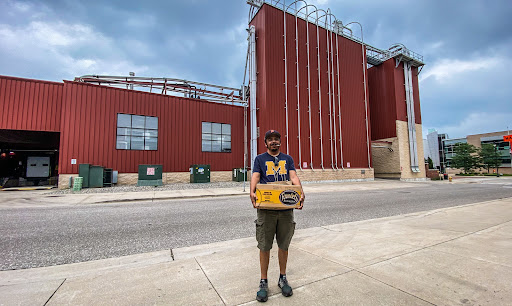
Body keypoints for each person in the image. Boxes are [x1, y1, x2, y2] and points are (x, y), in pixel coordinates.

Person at [250, 130, 305, 302]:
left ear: (280, 142)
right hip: (266, 209)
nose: (274, 142)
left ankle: (282, 278)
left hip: (286, 208)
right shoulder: (260, 159)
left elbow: (293, 176)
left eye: (276, 139)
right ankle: (263, 281)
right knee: (264, 246)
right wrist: (251, 191)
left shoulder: (287, 159)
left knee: (284, 244)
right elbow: (256, 176)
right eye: (270, 140)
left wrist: (301, 192)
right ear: (265, 143)